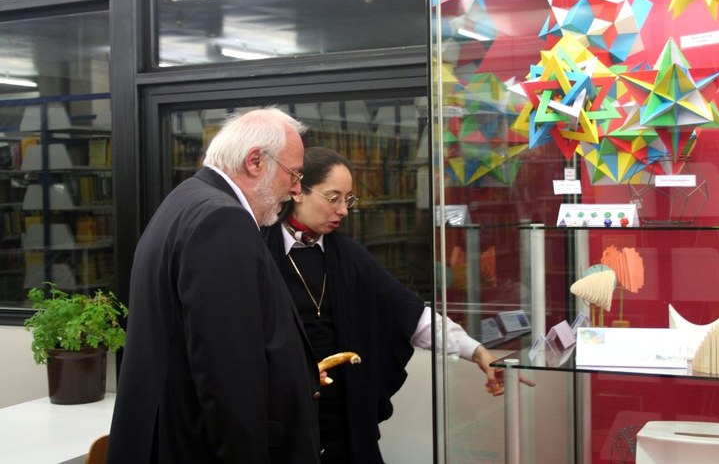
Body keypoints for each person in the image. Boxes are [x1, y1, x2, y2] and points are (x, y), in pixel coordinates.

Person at [262, 146, 502, 464]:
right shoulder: (258, 251)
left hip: (343, 424)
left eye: (348, 200)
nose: (343, 210)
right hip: (283, 423)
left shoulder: (349, 257)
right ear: (298, 192)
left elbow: (411, 315)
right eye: (333, 198)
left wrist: (477, 352)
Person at [108, 109, 322, 463]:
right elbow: (228, 377)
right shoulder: (222, 221)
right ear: (255, 161)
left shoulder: (186, 200)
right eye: (294, 174)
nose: (297, 189)